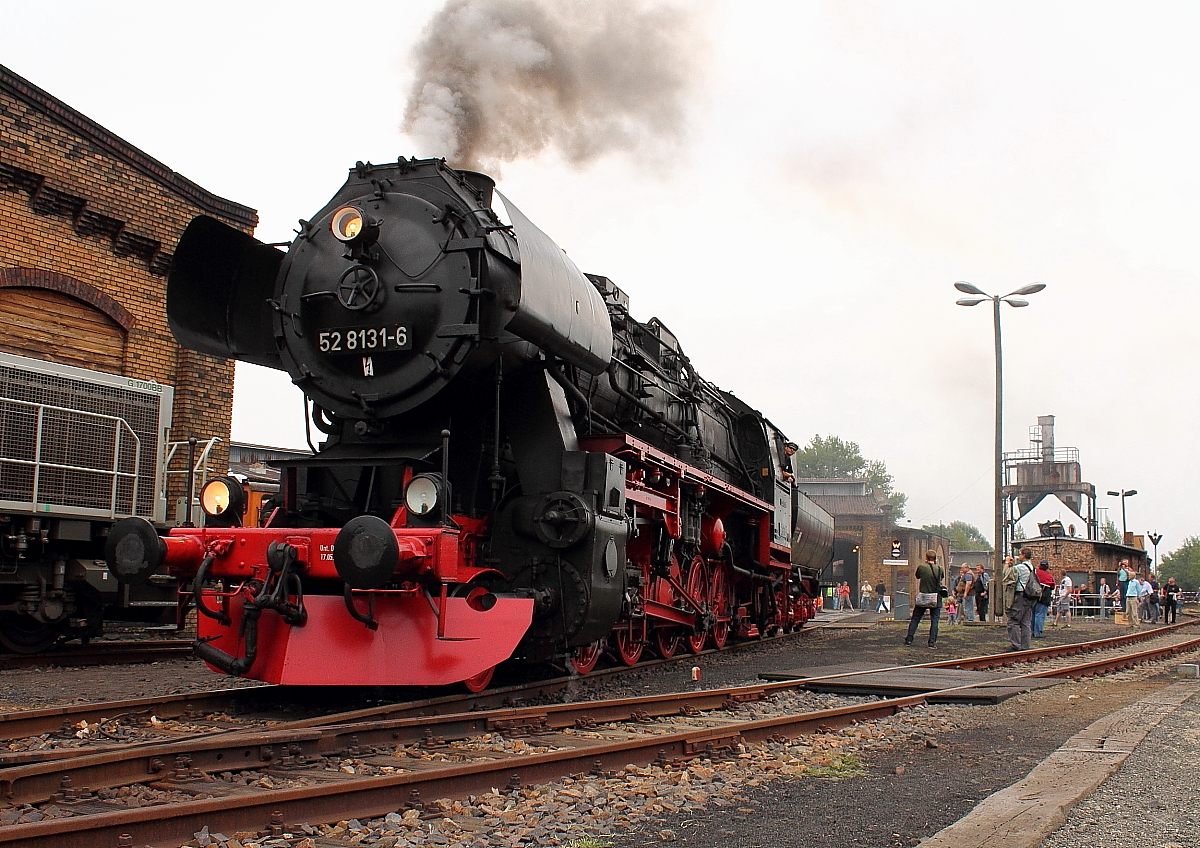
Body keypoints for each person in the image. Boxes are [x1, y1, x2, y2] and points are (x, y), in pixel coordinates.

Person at [905, 550, 945, 648]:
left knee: (915, 618)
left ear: (926, 558)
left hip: (923, 596)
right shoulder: (940, 569)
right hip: (935, 597)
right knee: (935, 620)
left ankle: (909, 640)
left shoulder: (922, 567)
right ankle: (931, 643)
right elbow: (941, 578)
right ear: (935, 559)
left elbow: (917, 576)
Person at [1004, 548, 1036, 651]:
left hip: (1020, 596)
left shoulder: (1021, 567)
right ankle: (1025, 646)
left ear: (1023, 555)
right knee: (1025, 623)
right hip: (1029, 597)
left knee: (1013, 621)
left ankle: (1015, 645)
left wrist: (1007, 563)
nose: (1018, 556)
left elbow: (1006, 574)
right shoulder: (1032, 567)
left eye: (1019, 554)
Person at [1031, 560, 1055, 638]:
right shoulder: (1049, 576)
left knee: (1033, 615)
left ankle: (1031, 632)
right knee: (1040, 615)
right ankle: (1037, 633)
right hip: (1044, 598)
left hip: (1033, 596)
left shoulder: (1035, 572)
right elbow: (1052, 586)